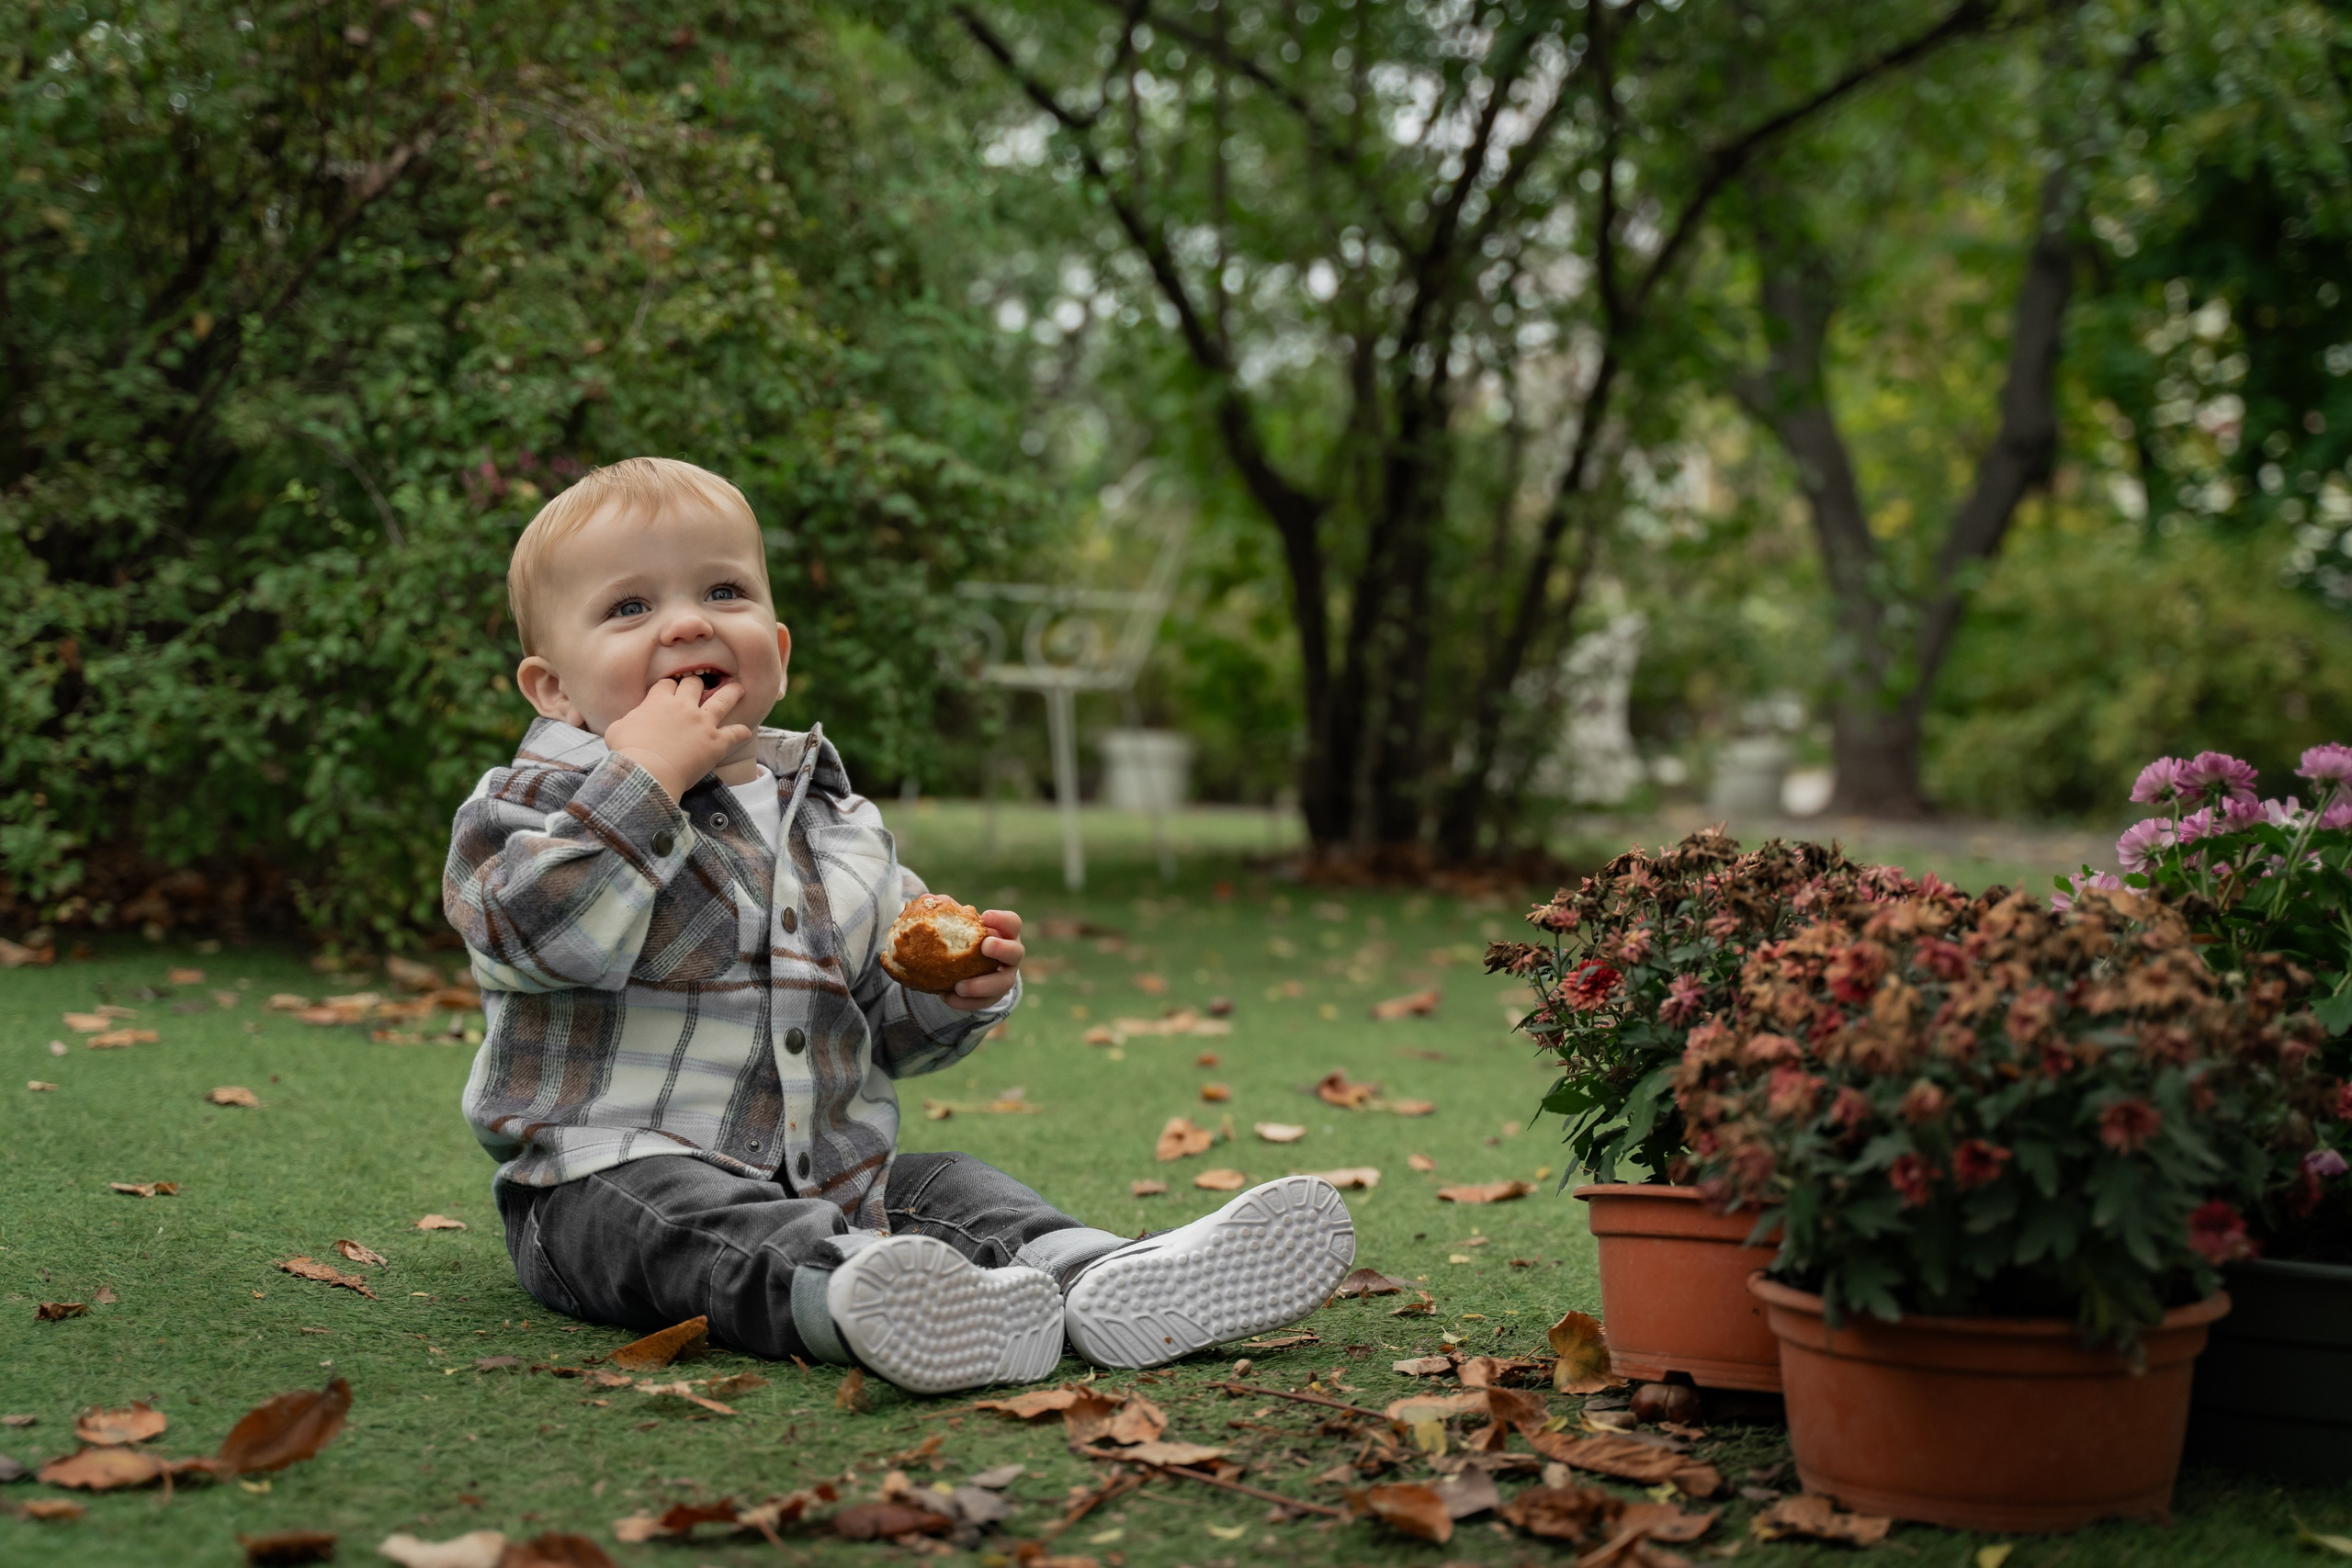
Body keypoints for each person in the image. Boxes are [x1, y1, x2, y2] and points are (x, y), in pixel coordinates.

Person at [443, 457, 1355, 1393]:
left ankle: (1104, 1276)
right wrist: (643, 782)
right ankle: (856, 1299)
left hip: (833, 1183)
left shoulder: (840, 827)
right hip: (598, 1187)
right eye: (629, 609)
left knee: (946, 1185)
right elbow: (536, 940)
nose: (687, 622)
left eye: (724, 590)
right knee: (685, 1218)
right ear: (553, 689)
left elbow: (878, 1029)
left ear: (779, 653)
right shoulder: (531, 807)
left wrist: (953, 996)